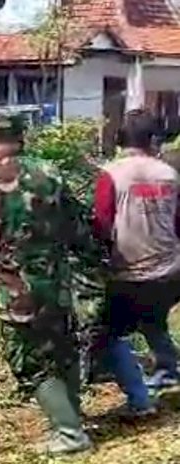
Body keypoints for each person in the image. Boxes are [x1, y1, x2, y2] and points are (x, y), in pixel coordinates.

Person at [0, 110, 95, 455]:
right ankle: (72, 418)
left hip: (15, 288)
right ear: (22, 138)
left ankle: (70, 434)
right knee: (63, 351)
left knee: (29, 361)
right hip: (58, 281)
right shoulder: (52, 174)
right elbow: (78, 228)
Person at [94, 109, 180, 391]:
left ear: (120, 139)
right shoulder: (169, 173)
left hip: (131, 273)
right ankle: (168, 367)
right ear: (152, 140)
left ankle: (133, 390)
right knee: (153, 318)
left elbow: (101, 223)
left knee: (105, 330)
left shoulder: (112, 174)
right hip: (171, 271)